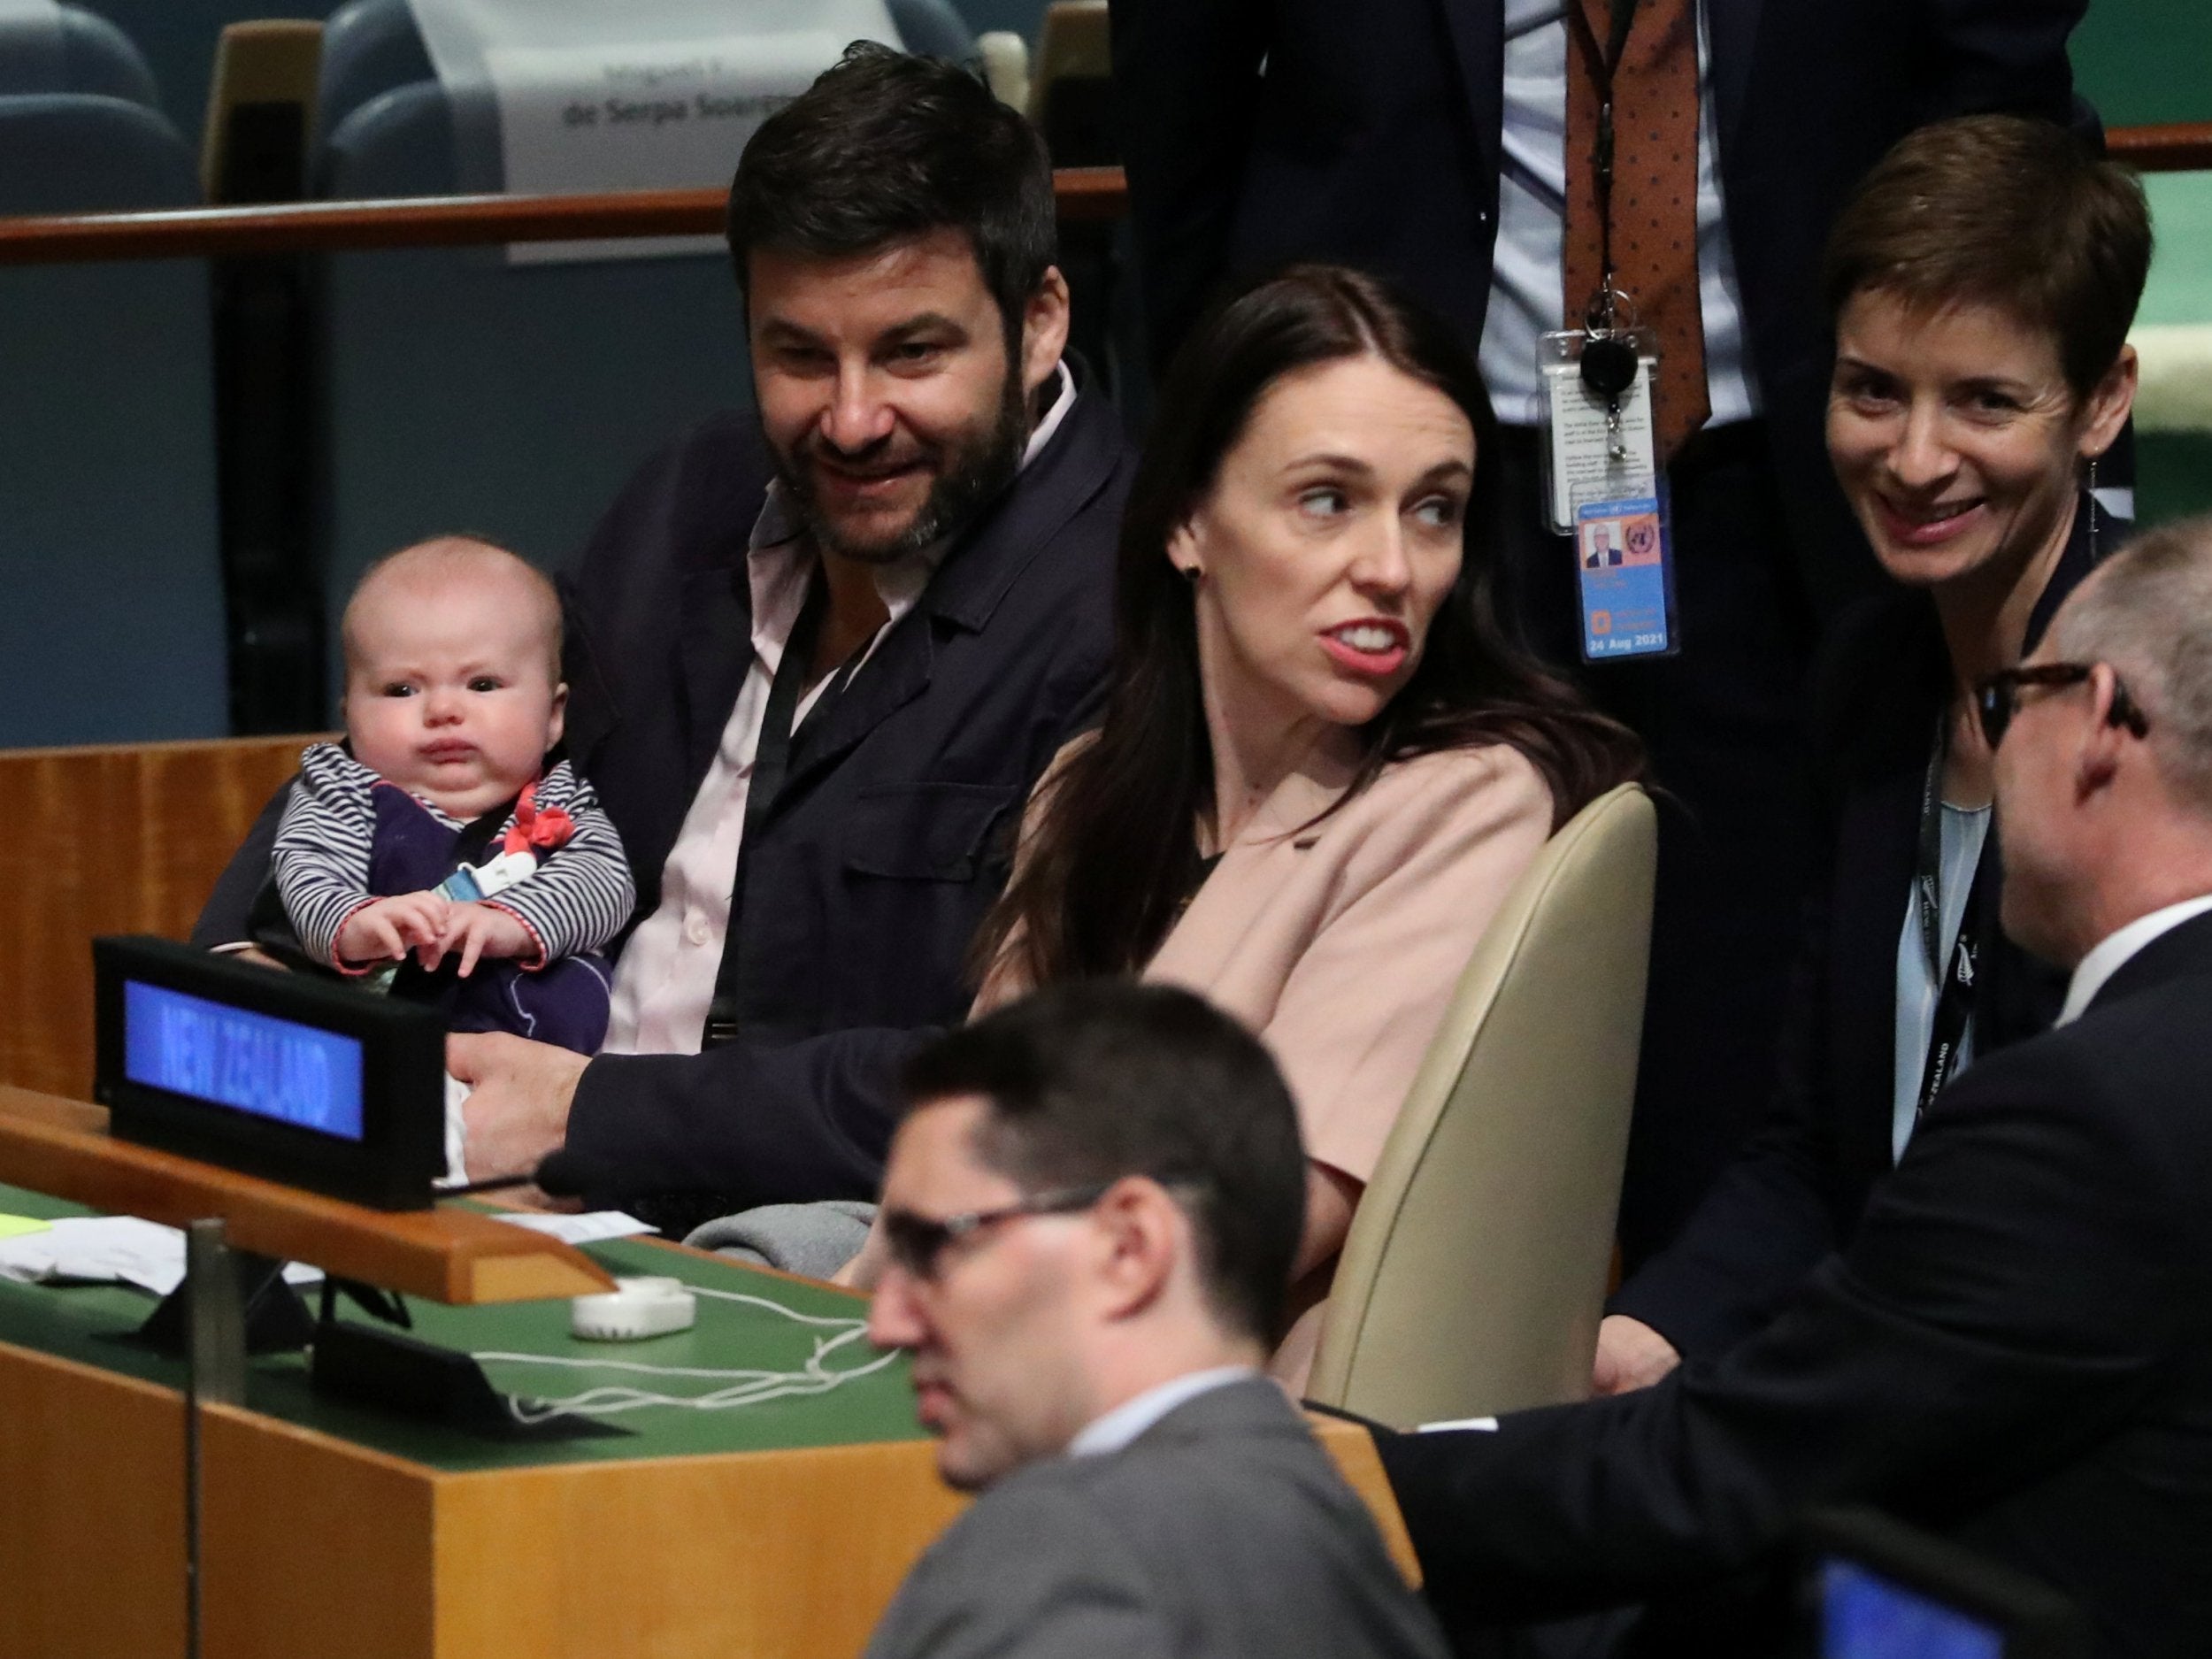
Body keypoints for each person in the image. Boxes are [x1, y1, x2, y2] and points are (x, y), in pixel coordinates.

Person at [1110, 0, 2093, 1265]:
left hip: (1781, 481)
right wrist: (1228, 422)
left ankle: (1676, 1371)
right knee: (1391, 1006)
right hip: (1412, 465)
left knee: (1742, 1043)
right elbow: (1177, 96)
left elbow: (1994, 87)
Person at [192, 45, 1131, 1229]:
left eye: (912, 351)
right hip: (487, 1168)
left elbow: (1041, 1092)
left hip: (811, 1247)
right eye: (798, 354)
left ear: (1040, 320)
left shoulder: (1135, 610)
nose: (850, 418)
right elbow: (454, 738)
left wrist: (591, 1115)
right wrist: (262, 961)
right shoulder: (693, 498)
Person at [1374, 518, 2212, 1658]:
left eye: (2009, 704)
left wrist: (1341, 1483)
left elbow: (1723, 1470)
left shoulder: (2086, 1119)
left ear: (2103, 721)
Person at [875, 265, 1637, 1386]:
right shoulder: (1086, 790)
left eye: (1434, 509)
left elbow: (1248, 1229)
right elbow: (967, 1159)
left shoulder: (1471, 798)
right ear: (1187, 520)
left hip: (1225, 1453)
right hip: (1015, 1375)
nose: (1390, 569)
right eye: (1327, 501)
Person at [1594, 115, 2147, 1393]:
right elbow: (1807, 1148)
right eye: (1873, 390)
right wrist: (1647, 1331)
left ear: (2104, 401)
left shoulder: (2154, 725)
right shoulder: (1865, 676)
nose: (1911, 458)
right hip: (1881, 1370)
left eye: (1985, 402)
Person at [862, 979, 1451, 1659]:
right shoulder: (1342, 1535)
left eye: (934, 1245)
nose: (887, 1321)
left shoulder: (1068, 1564)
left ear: (1129, 1247)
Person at [264, 537, 634, 1056]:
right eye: (401, 690)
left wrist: (513, 923)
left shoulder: (560, 795)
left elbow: (605, 884)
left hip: (544, 1064)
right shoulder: (341, 789)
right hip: (390, 1048)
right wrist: (355, 923)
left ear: (553, 717)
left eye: (482, 684)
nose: (442, 709)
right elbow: (306, 871)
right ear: (349, 713)